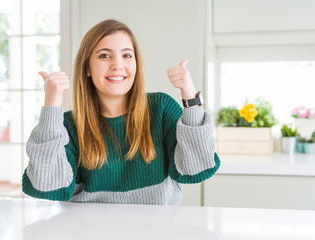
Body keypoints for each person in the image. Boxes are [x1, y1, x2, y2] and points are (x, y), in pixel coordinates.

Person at [22, 19, 220, 205]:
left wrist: (191, 97)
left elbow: (196, 168)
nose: (117, 65)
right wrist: (51, 106)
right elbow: (47, 186)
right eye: (104, 55)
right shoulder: (68, 126)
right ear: (87, 68)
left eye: (126, 55)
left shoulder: (161, 108)